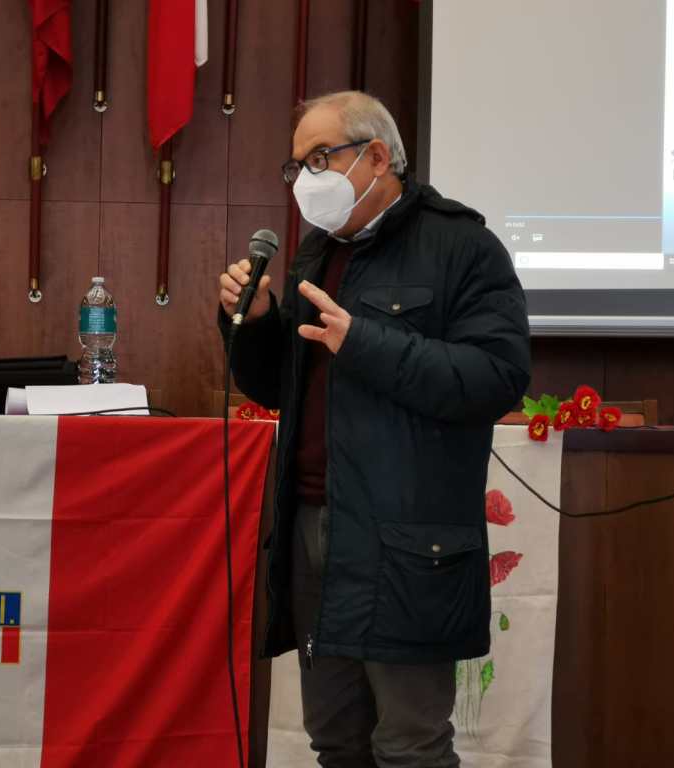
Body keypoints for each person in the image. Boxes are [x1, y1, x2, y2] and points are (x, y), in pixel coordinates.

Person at [218, 91, 531, 767]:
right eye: (297, 165)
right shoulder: (317, 252)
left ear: (378, 157)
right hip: (313, 530)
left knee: (409, 746)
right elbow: (282, 386)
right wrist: (258, 321)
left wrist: (364, 342)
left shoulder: (462, 247)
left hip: (407, 541)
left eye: (320, 158)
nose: (305, 179)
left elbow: (496, 378)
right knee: (336, 741)